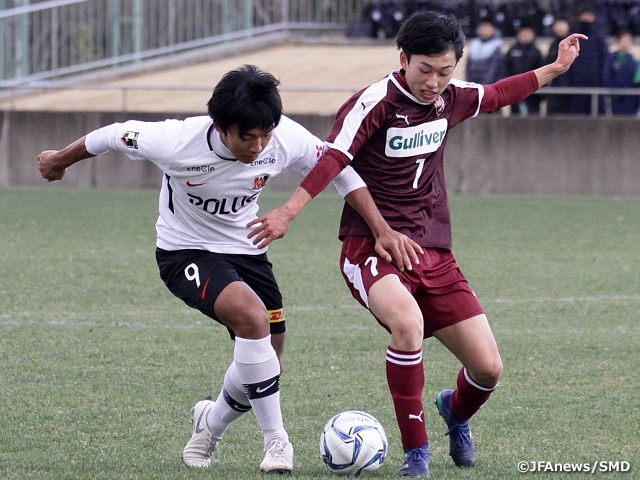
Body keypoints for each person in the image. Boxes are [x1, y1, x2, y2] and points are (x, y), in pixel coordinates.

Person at [247, 11, 586, 478]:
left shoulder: (452, 97)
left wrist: (556, 68)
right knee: (407, 324)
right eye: (425, 70)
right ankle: (417, 455)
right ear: (403, 58)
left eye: (445, 72)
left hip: (433, 251)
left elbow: (499, 93)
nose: (433, 82)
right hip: (371, 247)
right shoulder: (375, 102)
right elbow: (334, 160)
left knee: (488, 370)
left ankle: (456, 412)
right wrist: (289, 210)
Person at [36, 65, 418, 474]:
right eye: (246, 137)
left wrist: (381, 229)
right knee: (253, 319)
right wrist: (59, 160)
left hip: (247, 250)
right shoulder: (176, 140)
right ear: (220, 127)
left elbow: (339, 171)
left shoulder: (284, 135)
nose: (257, 147)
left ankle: (210, 424)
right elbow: (111, 134)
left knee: (268, 359)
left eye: (265, 135)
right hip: (185, 252)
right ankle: (277, 442)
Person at [566, 4, 609, 114]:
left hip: (596, 85)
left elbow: (605, 60)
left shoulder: (599, 37)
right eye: (583, 15)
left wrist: (602, 81)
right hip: (576, 86)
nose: (586, 18)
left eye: (589, 15)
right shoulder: (572, 36)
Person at [504, 24, 544, 115]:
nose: (525, 35)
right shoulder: (512, 51)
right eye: (523, 33)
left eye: (528, 33)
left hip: (533, 94)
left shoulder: (537, 52)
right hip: (515, 92)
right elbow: (506, 69)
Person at [603, 31, 639, 115]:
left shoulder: (635, 62)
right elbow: (607, 76)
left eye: (628, 41)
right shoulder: (611, 59)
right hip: (615, 97)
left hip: (630, 98)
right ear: (618, 42)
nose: (625, 44)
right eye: (624, 41)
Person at [465, 17, 505, 85]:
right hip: (473, 84)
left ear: (493, 29)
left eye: (487, 27)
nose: (484, 30)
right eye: (482, 27)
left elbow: (494, 70)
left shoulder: (496, 45)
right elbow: (468, 67)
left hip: (489, 85)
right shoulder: (474, 44)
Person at [545, 15, 572, 115]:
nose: (559, 27)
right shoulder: (553, 44)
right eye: (557, 24)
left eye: (562, 24)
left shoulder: (573, 44)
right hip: (555, 88)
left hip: (570, 90)